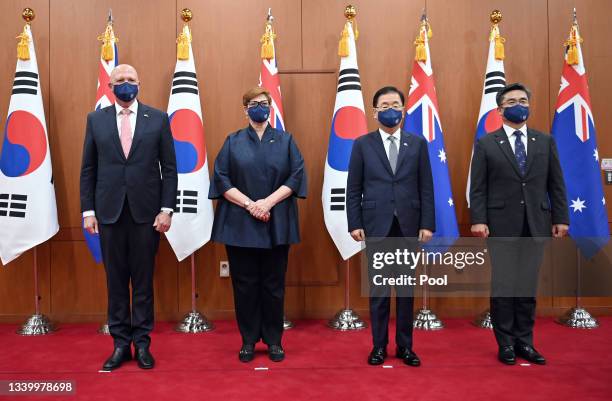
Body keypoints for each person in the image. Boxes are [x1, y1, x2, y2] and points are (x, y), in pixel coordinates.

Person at [80, 64, 177, 371]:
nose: (125, 84)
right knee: (116, 283)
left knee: (144, 282)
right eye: (119, 80)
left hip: (147, 215)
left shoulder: (158, 119)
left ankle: (144, 344)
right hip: (108, 213)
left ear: (140, 83)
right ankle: (121, 344)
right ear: (109, 86)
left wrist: (167, 208)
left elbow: (170, 169)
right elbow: (88, 170)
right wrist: (88, 211)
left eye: (130, 80)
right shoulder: (96, 120)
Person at [469, 82, 569, 365]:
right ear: (500, 110)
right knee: (504, 286)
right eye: (511, 101)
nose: (518, 105)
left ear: (530, 104)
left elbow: (556, 184)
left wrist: (561, 217)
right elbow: (478, 188)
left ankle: (525, 342)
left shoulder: (545, 141)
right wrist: (479, 220)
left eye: (523, 100)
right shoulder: (487, 143)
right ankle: (505, 344)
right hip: (500, 225)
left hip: (536, 224)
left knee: (526, 287)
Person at [209, 87, 306, 363]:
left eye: (264, 103)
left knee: (274, 285)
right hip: (240, 223)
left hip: (277, 222)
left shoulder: (286, 141)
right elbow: (221, 179)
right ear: (245, 109)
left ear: (270, 107)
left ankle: (274, 340)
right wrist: (251, 205)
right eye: (253, 103)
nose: (259, 107)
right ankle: (248, 340)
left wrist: (266, 204)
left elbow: (297, 176)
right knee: (244, 285)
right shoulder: (233, 141)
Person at [347, 86, 435, 366]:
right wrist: (355, 222)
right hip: (376, 226)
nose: (390, 110)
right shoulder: (362, 144)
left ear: (404, 108)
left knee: (406, 291)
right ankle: (379, 346)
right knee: (380, 291)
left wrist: (427, 224)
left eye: (395, 104)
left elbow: (426, 188)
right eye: (384, 106)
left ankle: (405, 347)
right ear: (375, 112)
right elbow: (354, 187)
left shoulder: (417, 143)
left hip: (409, 226)